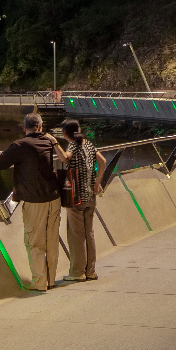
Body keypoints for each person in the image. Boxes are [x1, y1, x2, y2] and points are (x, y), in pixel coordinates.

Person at [0, 112, 61, 291]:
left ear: (24, 128)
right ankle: (50, 280)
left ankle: (39, 282)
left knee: (34, 242)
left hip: (34, 201)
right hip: (53, 198)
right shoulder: (49, 141)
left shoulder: (20, 145)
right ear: (40, 127)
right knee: (51, 240)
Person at [54, 119, 108, 281]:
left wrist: (54, 143)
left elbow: (64, 158)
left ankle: (77, 272)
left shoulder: (73, 145)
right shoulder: (89, 144)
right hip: (91, 195)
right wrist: (97, 183)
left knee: (76, 235)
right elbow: (103, 161)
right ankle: (91, 271)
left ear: (65, 133)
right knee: (89, 233)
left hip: (76, 197)